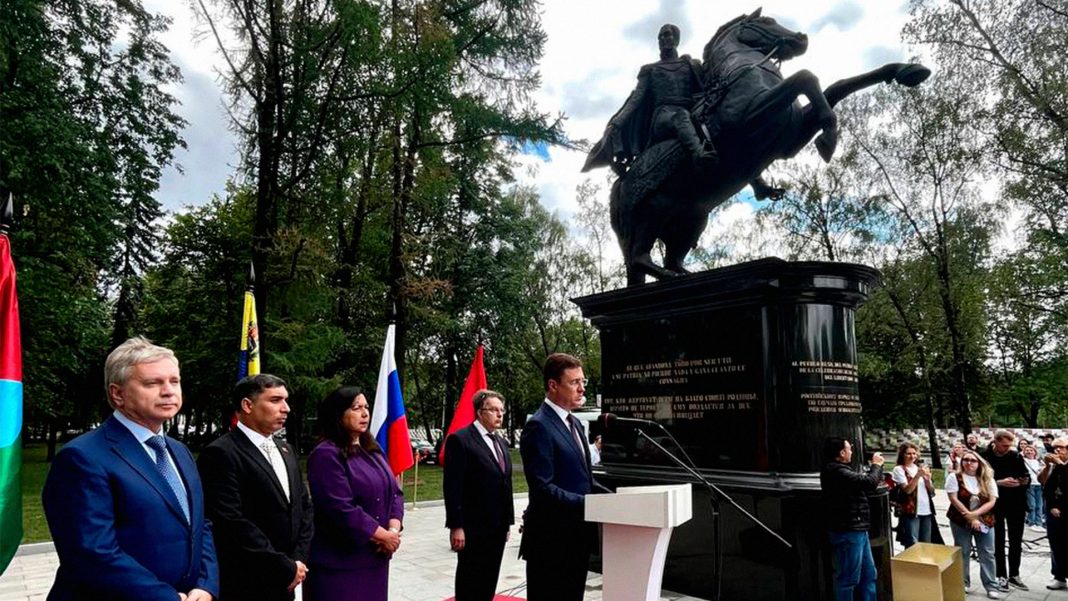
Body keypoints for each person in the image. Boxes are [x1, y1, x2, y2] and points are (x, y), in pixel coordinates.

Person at [42, 336, 219, 601]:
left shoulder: (180, 452)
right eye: (152, 383)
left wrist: (206, 585)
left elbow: (199, 525)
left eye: (174, 381)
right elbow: (92, 552)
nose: (169, 391)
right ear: (117, 393)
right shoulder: (81, 458)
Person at [196, 374, 314, 601]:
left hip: (288, 579)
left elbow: (304, 507)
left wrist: (297, 562)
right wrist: (282, 566)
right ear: (247, 405)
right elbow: (230, 521)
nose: (286, 408)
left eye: (286, 400)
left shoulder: (287, 450)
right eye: (275, 400)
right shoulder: (221, 453)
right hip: (247, 582)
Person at [305, 386, 403, 601]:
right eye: (356, 408)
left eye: (366, 407)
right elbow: (340, 507)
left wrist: (393, 530)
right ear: (338, 414)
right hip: (340, 562)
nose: (365, 413)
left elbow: (395, 493)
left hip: (375, 558)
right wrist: (381, 535)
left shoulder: (373, 450)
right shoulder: (326, 454)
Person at [583, 24, 716, 175]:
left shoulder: (690, 64)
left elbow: (707, 85)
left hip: (690, 109)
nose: (663, 39)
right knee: (681, 117)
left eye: (667, 35)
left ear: (676, 39)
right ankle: (699, 155)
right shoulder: (650, 69)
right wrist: (617, 122)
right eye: (660, 37)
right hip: (663, 117)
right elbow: (636, 99)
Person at [519, 353, 596, 601]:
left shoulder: (574, 423)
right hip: (551, 542)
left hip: (576, 538)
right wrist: (590, 504)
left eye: (583, 381)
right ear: (553, 385)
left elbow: (584, 479)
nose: (582, 388)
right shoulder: (539, 426)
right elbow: (543, 488)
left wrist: (617, 499)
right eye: (574, 382)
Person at [443, 389, 515, 601]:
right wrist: (456, 526)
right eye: (493, 410)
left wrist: (507, 522)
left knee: (489, 579)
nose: (499, 414)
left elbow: (506, 483)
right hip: (473, 527)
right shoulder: (461, 440)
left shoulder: (501, 442)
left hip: (497, 526)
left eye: (501, 410)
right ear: (479, 412)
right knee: (470, 579)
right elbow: (452, 486)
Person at [820, 437, 883, 601]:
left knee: (869, 575)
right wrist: (876, 465)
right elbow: (869, 482)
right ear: (841, 453)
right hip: (848, 531)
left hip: (857, 530)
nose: (851, 452)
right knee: (849, 579)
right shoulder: (836, 471)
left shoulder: (840, 470)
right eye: (849, 449)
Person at [945, 450, 1000, 598]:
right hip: (960, 519)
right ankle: (963, 582)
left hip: (985, 520)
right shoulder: (954, 477)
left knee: (987, 553)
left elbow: (992, 501)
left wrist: (975, 515)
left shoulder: (987, 479)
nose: (969, 463)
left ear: (979, 463)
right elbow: (954, 499)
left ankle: (991, 585)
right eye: (965, 460)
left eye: (973, 460)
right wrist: (970, 518)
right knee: (963, 551)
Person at [981, 429, 1030, 591]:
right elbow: (980, 480)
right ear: (995, 442)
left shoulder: (1015, 456)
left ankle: (1014, 574)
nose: (1007, 448)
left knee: (1016, 540)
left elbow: (1026, 475)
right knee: (998, 540)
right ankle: (1001, 575)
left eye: (1009, 445)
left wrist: (1023, 481)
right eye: (1004, 445)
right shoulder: (985, 456)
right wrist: (999, 483)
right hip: (995, 504)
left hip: (1016, 503)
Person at [891, 442, 935, 547]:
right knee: (912, 543)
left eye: (914, 453)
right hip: (910, 511)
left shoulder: (920, 468)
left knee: (926, 543)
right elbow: (908, 490)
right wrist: (917, 476)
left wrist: (928, 481)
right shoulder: (899, 469)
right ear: (902, 455)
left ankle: (924, 563)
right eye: (908, 454)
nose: (912, 456)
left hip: (926, 510)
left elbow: (932, 492)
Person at [1038, 437, 1068, 590]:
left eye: (1061, 448)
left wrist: (1061, 465)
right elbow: (1042, 483)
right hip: (1052, 510)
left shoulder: (1062, 465)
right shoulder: (1052, 465)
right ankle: (1059, 576)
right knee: (1055, 544)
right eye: (1054, 447)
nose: (1057, 451)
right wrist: (1047, 466)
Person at [1022, 444, 1046, 530]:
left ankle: (1038, 523)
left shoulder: (1039, 462)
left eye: (1031, 450)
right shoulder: (1023, 461)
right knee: (1032, 504)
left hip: (1039, 484)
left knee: (1040, 504)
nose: (1029, 452)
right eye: (1027, 450)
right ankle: (1031, 522)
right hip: (1029, 484)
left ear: (1035, 452)